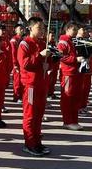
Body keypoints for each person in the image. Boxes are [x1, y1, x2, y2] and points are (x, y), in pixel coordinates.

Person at [17, 17, 51, 156]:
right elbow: (24, 63)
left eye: (43, 28)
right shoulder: (24, 44)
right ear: (30, 28)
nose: (42, 30)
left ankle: (37, 141)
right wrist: (39, 56)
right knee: (30, 115)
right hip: (30, 84)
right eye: (39, 28)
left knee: (39, 114)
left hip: (41, 83)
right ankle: (30, 143)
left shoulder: (43, 43)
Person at [57, 22, 85, 131]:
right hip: (68, 73)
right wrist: (75, 59)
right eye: (74, 30)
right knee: (68, 98)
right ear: (68, 29)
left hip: (75, 72)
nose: (76, 32)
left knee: (75, 97)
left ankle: (74, 120)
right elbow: (61, 56)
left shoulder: (71, 41)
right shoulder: (63, 41)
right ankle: (68, 121)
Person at [77, 26, 92, 115]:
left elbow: (90, 55)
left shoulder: (86, 40)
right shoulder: (76, 42)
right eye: (83, 29)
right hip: (80, 69)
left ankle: (83, 106)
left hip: (88, 68)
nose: (84, 31)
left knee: (86, 89)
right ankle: (78, 107)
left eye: (85, 30)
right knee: (81, 89)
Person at [10, 24, 25, 102]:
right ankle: (16, 96)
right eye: (20, 29)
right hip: (17, 63)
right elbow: (13, 53)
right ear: (16, 30)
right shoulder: (14, 40)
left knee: (22, 80)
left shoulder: (23, 39)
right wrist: (15, 64)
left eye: (22, 28)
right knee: (17, 80)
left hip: (22, 62)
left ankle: (20, 95)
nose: (22, 30)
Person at [47, 31, 60, 100]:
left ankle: (51, 93)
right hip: (49, 65)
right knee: (48, 81)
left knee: (53, 81)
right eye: (51, 36)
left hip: (55, 65)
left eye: (53, 36)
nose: (53, 37)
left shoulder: (54, 44)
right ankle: (47, 94)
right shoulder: (46, 44)